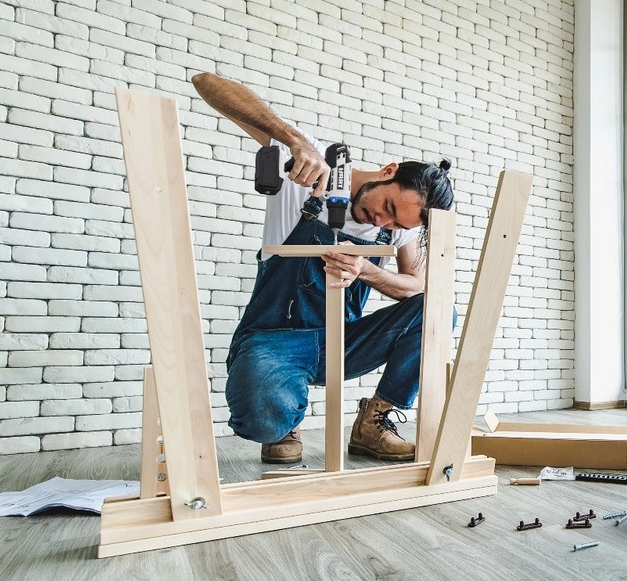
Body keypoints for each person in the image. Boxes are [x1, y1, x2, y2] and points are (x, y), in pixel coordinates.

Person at [191, 72, 455, 464]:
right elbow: (206, 83)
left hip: (342, 341)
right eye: (389, 208)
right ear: (388, 171)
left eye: (398, 225)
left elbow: (415, 287)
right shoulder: (311, 174)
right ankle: (283, 421)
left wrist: (368, 270)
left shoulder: (396, 232)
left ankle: (374, 422)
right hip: (276, 339)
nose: (383, 223)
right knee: (261, 419)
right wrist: (293, 140)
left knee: (438, 312)